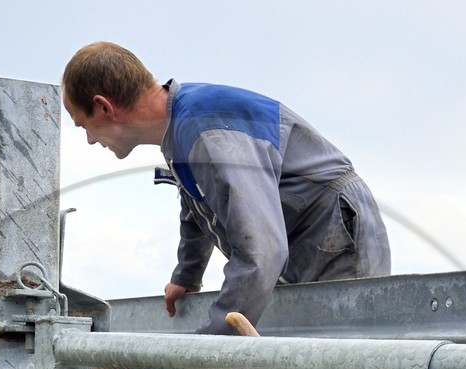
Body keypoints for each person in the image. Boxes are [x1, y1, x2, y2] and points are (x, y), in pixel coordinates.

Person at [62, 42, 391, 335]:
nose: (90, 139)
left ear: (104, 107)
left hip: (330, 226)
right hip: (302, 234)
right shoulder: (179, 128)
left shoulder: (206, 131)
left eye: (83, 125)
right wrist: (187, 274)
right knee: (309, 365)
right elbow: (198, 204)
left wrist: (212, 350)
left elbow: (262, 251)